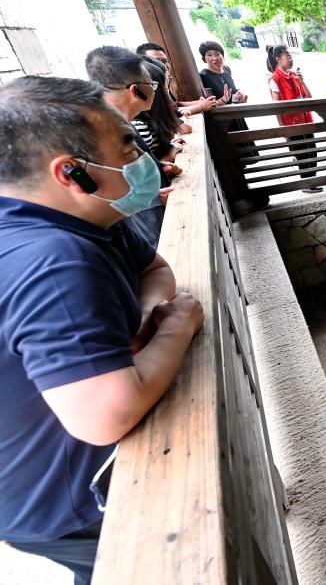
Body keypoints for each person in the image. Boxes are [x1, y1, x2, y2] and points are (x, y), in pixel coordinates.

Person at [0, 76, 204, 585]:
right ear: (72, 172)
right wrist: (175, 327)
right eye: (128, 148)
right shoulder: (54, 260)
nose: (141, 159)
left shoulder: (83, 219)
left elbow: (154, 270)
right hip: (65, 495)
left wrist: (148, 317)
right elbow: (105, 415)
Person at [85, 46, 176, 249]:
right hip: (147, 230)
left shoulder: (113, 121)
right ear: (136, 91)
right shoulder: (107, 131)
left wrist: (158, 168)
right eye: (152, 84)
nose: (155, 89)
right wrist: (153, 197)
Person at [266, 44, 320, 192]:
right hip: (292, 123)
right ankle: (306, 184)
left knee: (312, 151)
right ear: (278, 59)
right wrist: (282, 128)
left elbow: (309, 97)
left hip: (306, 119)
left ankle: (312, 182)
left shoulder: (295, 76)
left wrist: (302, 81)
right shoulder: (275, 79)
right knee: (302, 153)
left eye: (291, 56)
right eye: (288, 57)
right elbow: (276, 106)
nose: (291, 59)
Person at [198, 41, 254, 157]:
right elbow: (209, 104)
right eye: (209, 55)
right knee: (232, 157)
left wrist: (241, 94)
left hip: (236, 118)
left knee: (244, 156)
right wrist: (223, 100)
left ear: (222, 55)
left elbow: (233, 91)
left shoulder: (226, 69)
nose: (214, 58)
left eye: (217, 54)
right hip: (223, 124)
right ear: (204, 58)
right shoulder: (203, 76)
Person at [135, 42, 216, 120]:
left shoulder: (164, 82)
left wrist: (198, 102)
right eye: (156, 61)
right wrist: (201, 106)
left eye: (165, 61)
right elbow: (166, 114)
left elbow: (175, 104)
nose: (163, 65)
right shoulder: (149, 88)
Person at [137, 56, 185, 162]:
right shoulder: (140, 125)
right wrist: (172, 152)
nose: (167, 89)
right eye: (165, 84)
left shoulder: (147, 116)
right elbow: (149, 169)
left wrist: (168, 146)